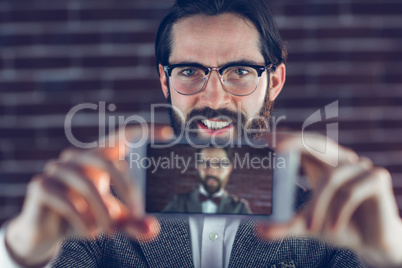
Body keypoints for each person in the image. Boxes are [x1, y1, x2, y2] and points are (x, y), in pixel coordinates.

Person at [1, 0, 402, 267]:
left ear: (274, 81)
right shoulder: (98, 219)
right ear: (165, 81)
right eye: (190, 71)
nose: (214, 97)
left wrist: (393, 256)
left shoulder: (332, 228)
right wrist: (17, 252)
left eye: (240, 71)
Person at [163, 147, 252, 214]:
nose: (211, 172)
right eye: (205, 163)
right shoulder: (179, 202)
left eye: (220, 164)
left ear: (229, 168)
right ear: (197, 166)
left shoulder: (240, 208)